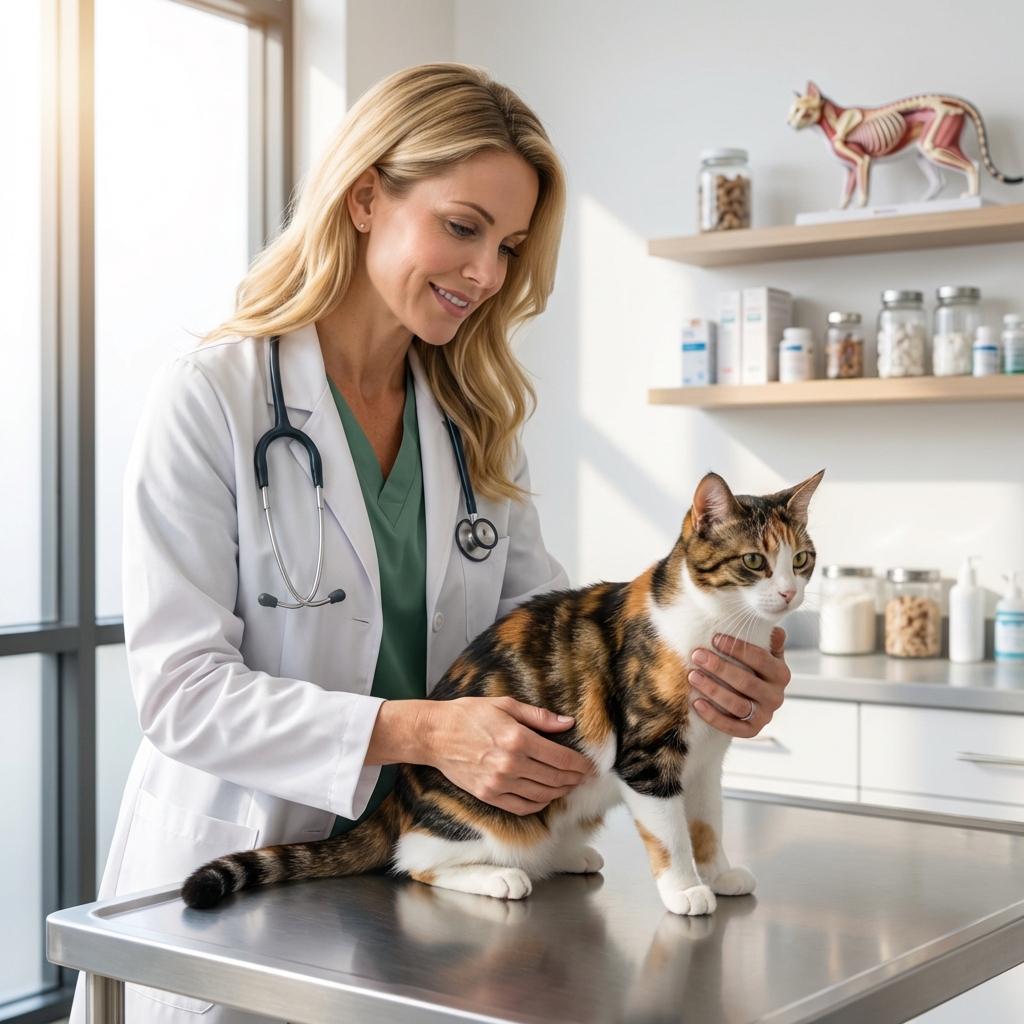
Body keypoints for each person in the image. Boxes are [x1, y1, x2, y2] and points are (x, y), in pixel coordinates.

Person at [71, 64, 791, 1024]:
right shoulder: (212, 399)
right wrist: (421, 730)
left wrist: (695, 675)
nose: (488, 274)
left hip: (429, 900)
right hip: (242, 899)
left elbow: (548, 638)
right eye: (462, 228)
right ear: (366, 196)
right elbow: (179, 692)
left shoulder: (472, 419)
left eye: (509, 245)